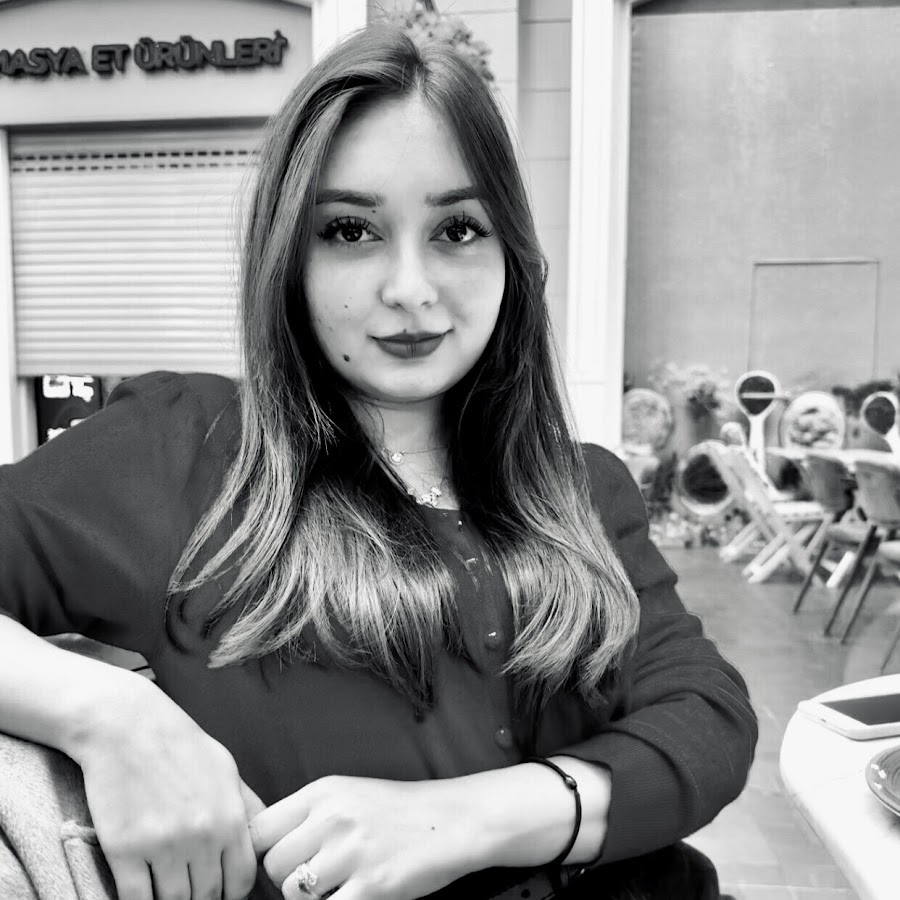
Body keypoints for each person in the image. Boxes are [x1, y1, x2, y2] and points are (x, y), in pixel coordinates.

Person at [0, 23, 757, 900]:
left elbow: (708, 717)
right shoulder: (184, 451)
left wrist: (465, 820)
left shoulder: (582, 488)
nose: (409, 289)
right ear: (290, 253)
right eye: (351, 230)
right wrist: (110, 717)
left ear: (511, 249)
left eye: (458, 228)